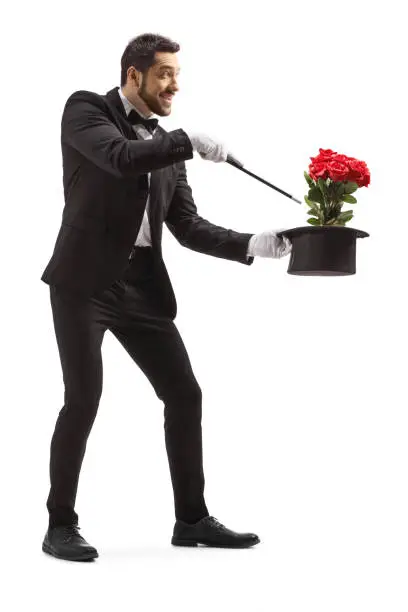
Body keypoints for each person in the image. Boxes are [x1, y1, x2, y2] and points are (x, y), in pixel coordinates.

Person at [40, 32, 292, 562]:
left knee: (185, 394)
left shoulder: (167, 149)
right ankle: (60, 524)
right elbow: (119, 156)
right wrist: (185, 141)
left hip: (141, 287)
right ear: (134, 75)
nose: (175, 83)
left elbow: (189, 226)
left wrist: (253, 244)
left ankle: (192, 520)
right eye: (165, 74)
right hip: (84, 284)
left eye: (177, 73)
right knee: (83, 400)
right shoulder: (87, 111)